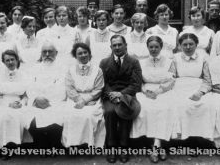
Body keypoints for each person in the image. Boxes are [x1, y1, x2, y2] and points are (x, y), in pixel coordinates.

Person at [131, 36, 175, 162]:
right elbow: (138, 81)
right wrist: (145, 91)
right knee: (145, 108)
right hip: (146, 91)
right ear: (147, 47)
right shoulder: (140, 62)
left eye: (156, 47)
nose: (154, 49)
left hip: (163, 91)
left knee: (164, 108)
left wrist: (158, 91)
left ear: (161, 47)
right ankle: (155, 144)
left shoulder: (169, 61)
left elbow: (171, 80)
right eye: (151, 47)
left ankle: (156, 146)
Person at [100, 35, 142, 163]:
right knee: (110, 112)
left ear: (125, 45)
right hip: (110, 95)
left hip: (127, 95)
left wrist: (121, 94)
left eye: (119, 44)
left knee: (125, 110)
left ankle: (124, 147)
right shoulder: (104, 62)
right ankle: (111, 147)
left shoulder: (134, 62)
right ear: (111, 47)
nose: (117, 47)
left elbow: (136, 84)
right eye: (114, 45)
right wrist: (112, 94)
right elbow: (103, 82)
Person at [0, 50, 30, 157]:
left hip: (18, 103)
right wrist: (8, 104)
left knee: (13, 116)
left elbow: (27, 95)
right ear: (4, 62)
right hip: (1, 103)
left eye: (12, 59)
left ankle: (9, 147)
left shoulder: (24, 75)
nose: (10, 62)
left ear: (17, 60)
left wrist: (21, 103)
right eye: (7, 60)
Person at [170, 33, 214, 141]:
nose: (188, 47)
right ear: (180, 46)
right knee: (179, 105)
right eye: (185, 44)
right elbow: (171, 78)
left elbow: (208, 81)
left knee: (206, 104)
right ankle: (183, 136)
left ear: (196, 45)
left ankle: (198, 138)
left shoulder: (204, 58)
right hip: (179, 89)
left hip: (198, 88)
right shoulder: (175, 58)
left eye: (191, 44)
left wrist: (200, 93)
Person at [62, 43, 104, 147]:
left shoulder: (97, 70)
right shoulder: (70, 70)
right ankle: (73, 144)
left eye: (85, 52)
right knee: (71, 114)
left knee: (88, 116)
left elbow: (98, 89)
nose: (83, 55)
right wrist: (79, 99)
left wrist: (85, 101)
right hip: (75, 98)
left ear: (89, 54)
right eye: (80, 53)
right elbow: (70, 88)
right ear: (75, 56)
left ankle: (88, 144)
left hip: (92, 99)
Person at [26, 42, 67, 149]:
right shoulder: (34, 68)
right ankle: (42, 145)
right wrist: (36, 98)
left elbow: (62, 88)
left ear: (56, 53)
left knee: (56, 116)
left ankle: (54, 145)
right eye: (44, 52)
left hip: (54, 102)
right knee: (31, 119)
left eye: (50, 51)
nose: (47, 54)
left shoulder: (63, 68)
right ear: (41, 53)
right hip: (37, 102)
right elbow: (29, 86)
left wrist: (48, 102)